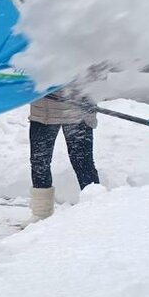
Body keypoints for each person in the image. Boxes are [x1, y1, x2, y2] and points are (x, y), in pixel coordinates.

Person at [27, 90, 100, 221]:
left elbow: (96, 75)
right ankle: (41, 214)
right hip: (42, 111)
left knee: (82, 162)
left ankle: (96, 210)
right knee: (39, 162)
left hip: (76, 112)